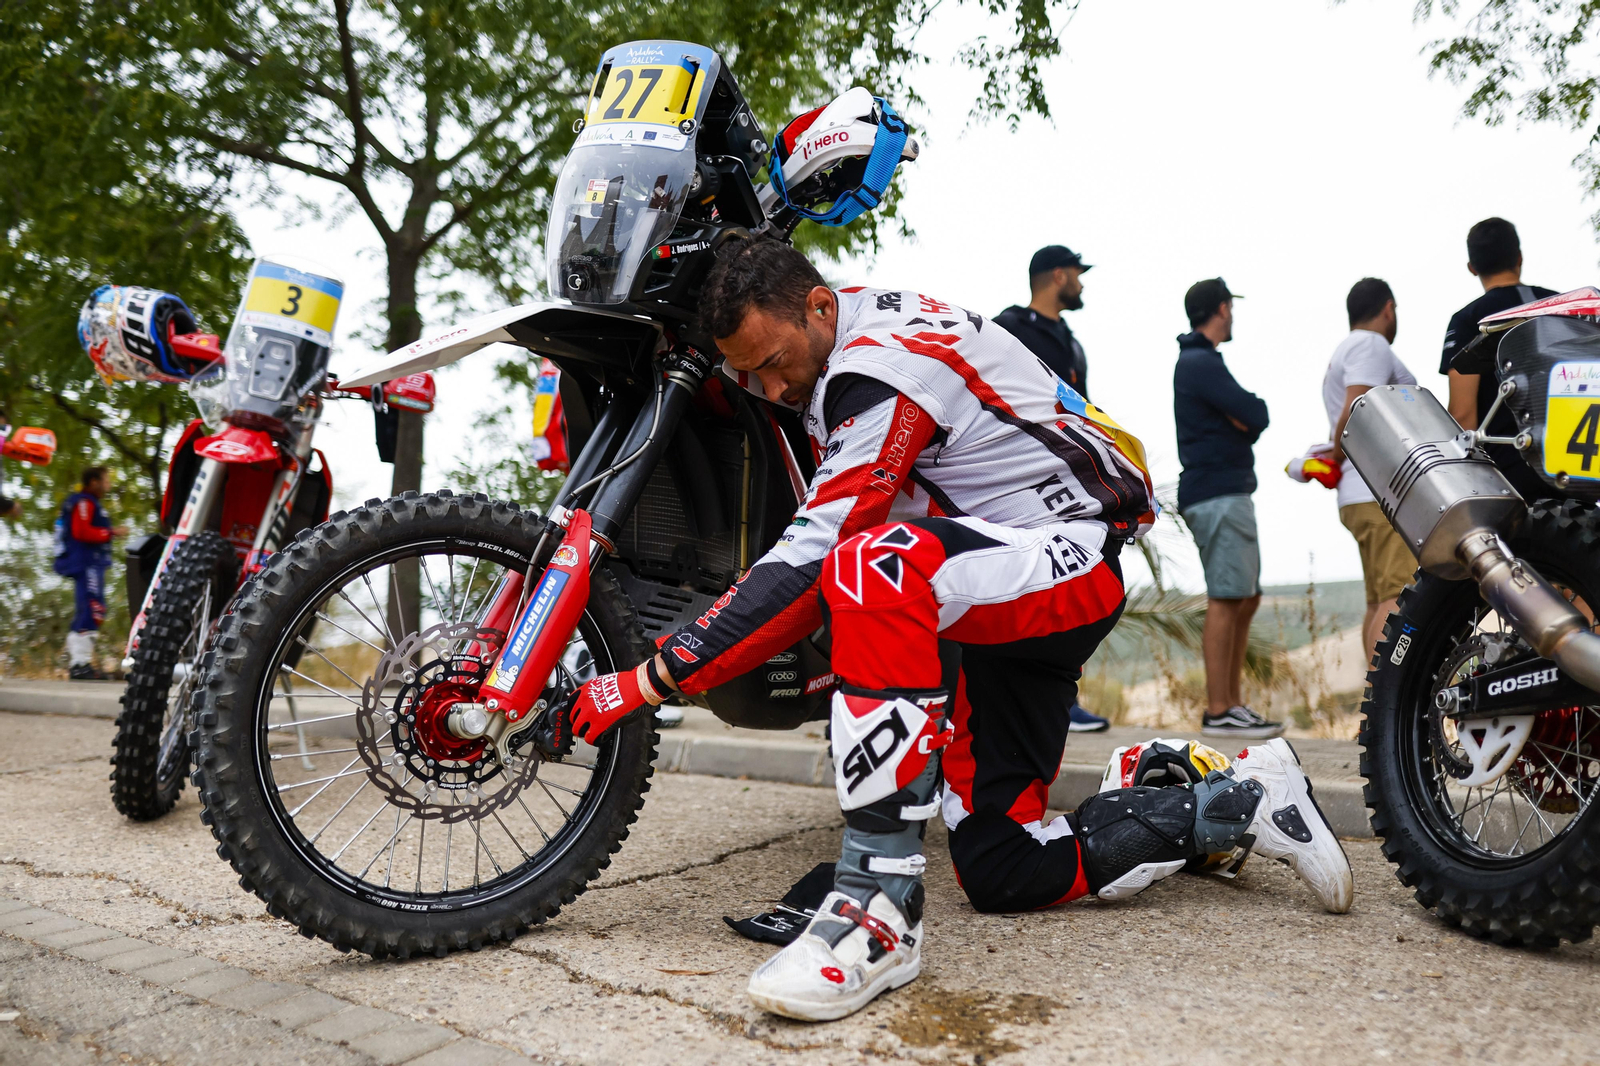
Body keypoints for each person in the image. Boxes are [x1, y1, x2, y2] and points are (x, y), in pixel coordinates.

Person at [559, 240, 1353, 1022]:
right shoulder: (832, 347)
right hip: (989, 588)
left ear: (819, 306)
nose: (768, 385)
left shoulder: (883, 369)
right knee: (1004, 870)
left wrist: (651, 678)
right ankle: (1241, 796)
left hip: (1071, 556)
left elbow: (817, 558)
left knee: (871, 566)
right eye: (746, 372)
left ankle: (879, 908)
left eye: (773, 360)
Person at [995, 244, 1108, 733]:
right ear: (1057, 275)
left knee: (1072, 581)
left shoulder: (1070, 339)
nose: (1082, 284)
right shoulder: (1010, 327)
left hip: (1070, 473)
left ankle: (1062, 698)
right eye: (1078, 275)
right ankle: (1024, 703)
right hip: (1022, 476)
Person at [1173, 279, 1282, 739]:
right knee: (1227, 597)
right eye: (1230, 308)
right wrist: (1242, 419)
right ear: (1222, 308)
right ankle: (1221, 709)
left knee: (1245, 595)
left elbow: (1248, 416)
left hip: (1223, 491)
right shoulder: (1199, 362)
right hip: (1217, 493)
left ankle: (1230, 705)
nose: (1233, 316)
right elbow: (1255, 414)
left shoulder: (1199, 362)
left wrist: (1243, 417)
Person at [1321, 278, 1418, 662]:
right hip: (1380, 492)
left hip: (1360, 494)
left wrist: (1334, 456)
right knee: (1399, 598)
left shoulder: (1344, 349)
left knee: (1379, 600)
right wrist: (1336, 455)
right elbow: (1358, 405)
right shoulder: (1370, 344)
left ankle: (1375, 708)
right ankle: (1386, 703)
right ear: (1388, 308)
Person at [1441, 217, 1557, 501]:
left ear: (1472, 268)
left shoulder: (1469, 320)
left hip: (1509, 475)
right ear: (1519, 257)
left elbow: (1463, 415)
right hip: (1576, 465)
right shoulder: (1559, 305)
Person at [54, 466, 126, 680]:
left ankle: (81, 663)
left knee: (92, 608)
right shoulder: (84, 502)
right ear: (93, 481)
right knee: (92, 608)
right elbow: (81, 530)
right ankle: (80, 665)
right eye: (105, 480)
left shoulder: (89, 502)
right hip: (86, 563)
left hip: (90, 564)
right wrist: (111, 532)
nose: (108, 484)